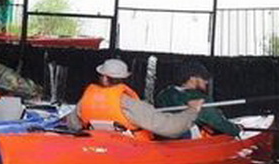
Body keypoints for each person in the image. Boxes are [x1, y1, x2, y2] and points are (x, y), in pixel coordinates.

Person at [66, 59, 204, 139]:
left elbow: (72, 124)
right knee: (186, 132)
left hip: (97, 143)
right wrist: (192, 111)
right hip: (131, 147)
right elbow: (170, 128)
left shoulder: (84, 102)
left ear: (103, 77)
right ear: (124, 78)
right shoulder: (130, 105)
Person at [155, 61, 241, 137]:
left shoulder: (163, 94)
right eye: (204, 77)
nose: (206, 82)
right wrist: (236, 129)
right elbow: (216, 121)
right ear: (192, 78)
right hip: (185, 143)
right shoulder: (197, 98)